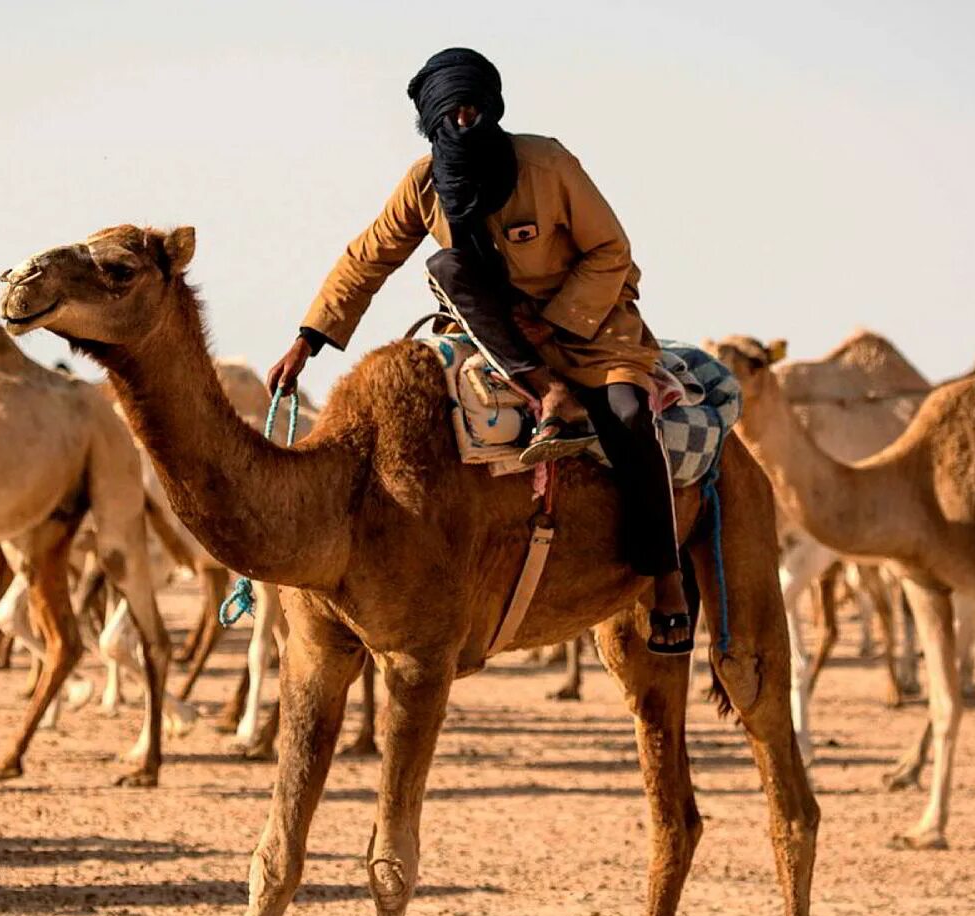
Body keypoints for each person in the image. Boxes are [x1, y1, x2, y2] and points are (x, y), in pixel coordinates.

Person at [266, 47, 692, 655]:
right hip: (498, 335)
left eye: (473, 110)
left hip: (588, 326)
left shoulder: (545, 163)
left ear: (492, 111)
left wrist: (553, 319)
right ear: (433, 122)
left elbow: (610, 250)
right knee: (446, 265)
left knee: (628, 416)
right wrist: (308, 339)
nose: (464, 123)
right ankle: (545, 391)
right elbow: (368, 257)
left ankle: (667, 578)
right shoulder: (423, 184)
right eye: (452, 114)